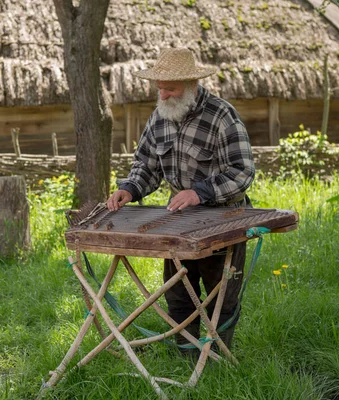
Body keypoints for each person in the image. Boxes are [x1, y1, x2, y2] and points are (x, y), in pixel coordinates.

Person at [107, 48, 255, 354]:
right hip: (179, 219)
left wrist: (200, 192)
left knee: (220, 295)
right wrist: (130, 189)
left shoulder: (222, 115)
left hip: (223, 216)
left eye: (170, 88)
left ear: (191, 86)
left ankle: (216, 360)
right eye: (160, 88)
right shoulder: (159, 117)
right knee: (178, 292)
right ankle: (187, 355)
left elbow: (242, 172)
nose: (163, 95)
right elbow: (146, 166)